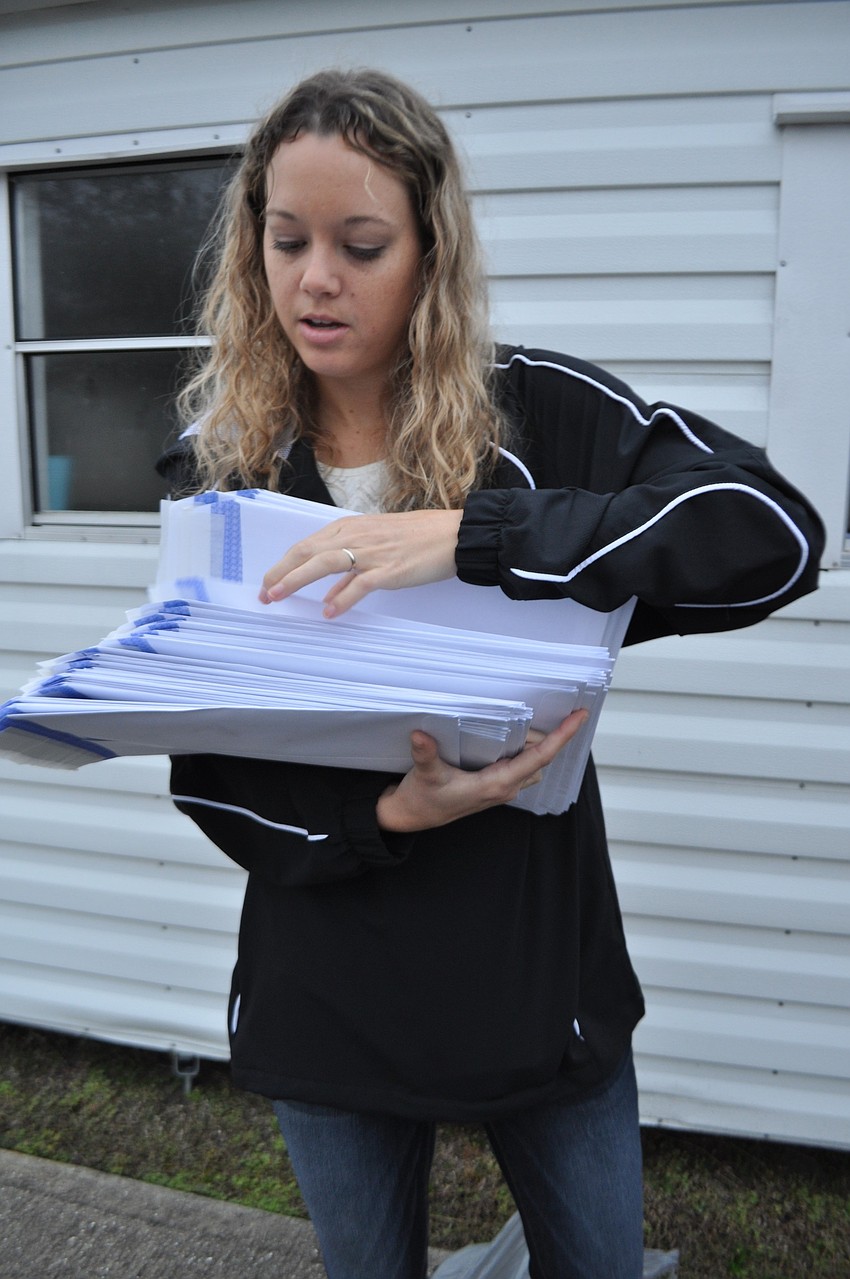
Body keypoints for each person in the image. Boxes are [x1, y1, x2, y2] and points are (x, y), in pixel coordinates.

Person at [157, 68, 824, 1279]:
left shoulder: (542, 416)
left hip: (537, 990)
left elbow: (770, 535)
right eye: (287, 239)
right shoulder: (228, 472)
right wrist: (383, 812)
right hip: (329, 998)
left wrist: (474, 537)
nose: (316, 279)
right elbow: (208, 775)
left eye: (362, 244)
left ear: (429, 249)